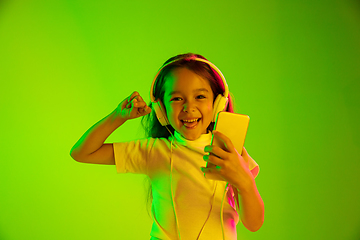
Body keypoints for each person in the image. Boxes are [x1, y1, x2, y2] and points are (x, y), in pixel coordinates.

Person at [70, 53, 264, 240]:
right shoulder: (154, 151)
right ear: (161, 109)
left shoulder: (231, 154)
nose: (189, 107)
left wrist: (244, 180)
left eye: (200, 97)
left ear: (218, 104)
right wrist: (117, 117)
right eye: (177, 99)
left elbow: (254, 224)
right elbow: (82, 153)